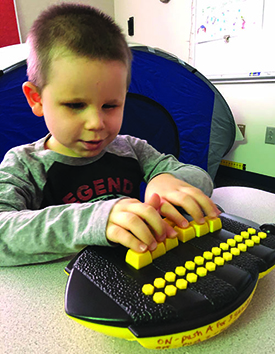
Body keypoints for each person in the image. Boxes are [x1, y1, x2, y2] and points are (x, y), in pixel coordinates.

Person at [0, 3, 220, 266]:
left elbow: (201, 179)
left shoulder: (132, 149)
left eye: (110, 105)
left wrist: (165, 179)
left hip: (128, 277)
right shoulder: (24, 164)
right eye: (75, 105)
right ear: (36, 99)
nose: (96, 123)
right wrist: (97, 219)